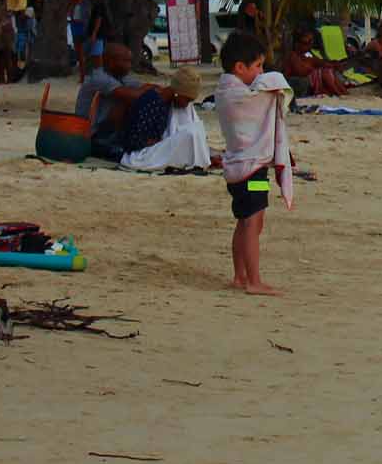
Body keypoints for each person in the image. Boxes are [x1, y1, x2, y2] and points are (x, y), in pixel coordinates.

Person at [214, 30, 292, 295]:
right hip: (253, 172)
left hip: (238, 170)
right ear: (239, 67)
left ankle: (239, 275)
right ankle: (253, 280)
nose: (261, 72)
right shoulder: (239, 95)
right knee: (253, 222)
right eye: (257, 65)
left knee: (244, 220)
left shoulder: (225, 91)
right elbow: (268, 92)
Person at [120, 65, 213, 172]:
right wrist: (161, 142)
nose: (187, 104)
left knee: (193, 126)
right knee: (190, 134)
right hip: (143, 154)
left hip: (160, 145)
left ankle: (201, 155)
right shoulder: (151, 101)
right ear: (177, 92)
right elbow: (133, 140)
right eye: (187, 99)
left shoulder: (174, 101)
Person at [74, 42, 136, 159]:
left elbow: (142, 88)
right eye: (126, 61)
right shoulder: (99, 78)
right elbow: (133, 95)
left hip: (105, 131)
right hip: (90, 136)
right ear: (111, 61)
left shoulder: (121, 77)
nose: (130, 65)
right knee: (126, 100)